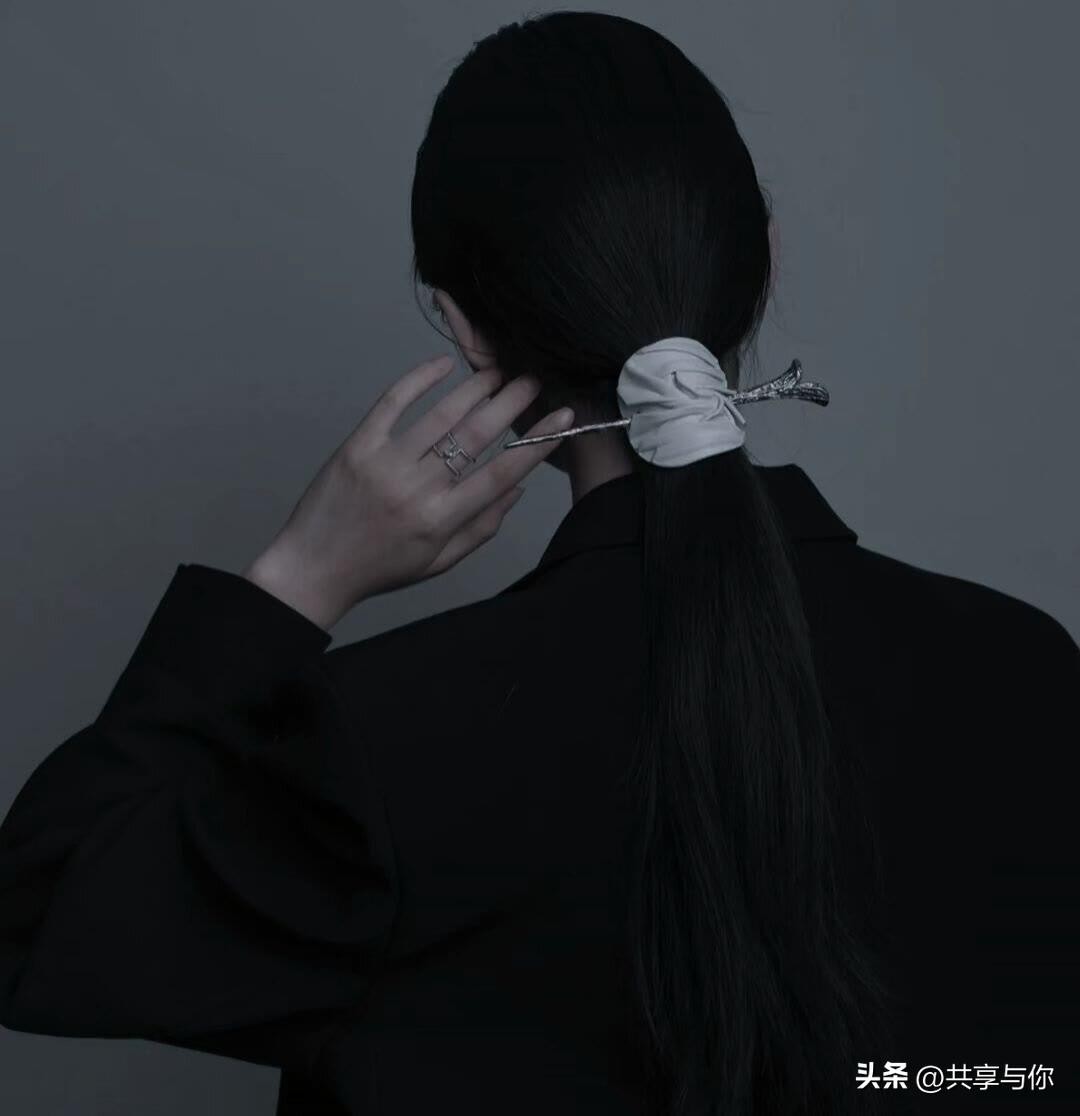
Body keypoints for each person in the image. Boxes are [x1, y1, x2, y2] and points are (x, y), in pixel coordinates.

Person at [1, 11, 1077, 1116]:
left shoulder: (381, 743)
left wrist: (296, 580)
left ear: (465, 329)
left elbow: (38, 925)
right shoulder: (1030, 675)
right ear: (759, 263)